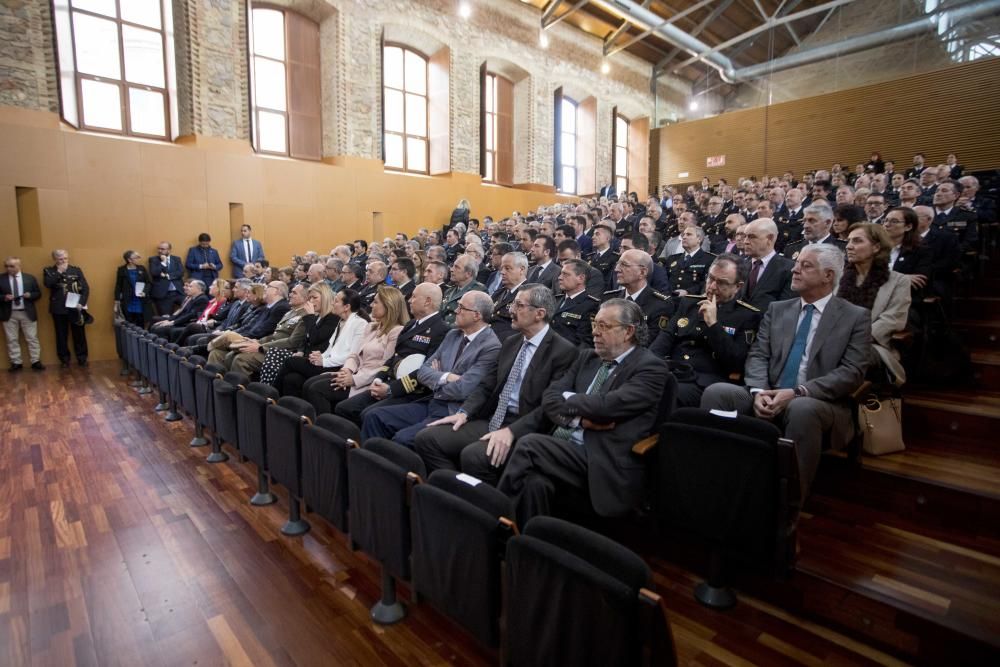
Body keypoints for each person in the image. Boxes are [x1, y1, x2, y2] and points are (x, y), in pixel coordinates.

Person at [700, 244, 872, 499]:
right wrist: (758, 390)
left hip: (819, 401)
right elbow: (758, 355)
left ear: (828, 276)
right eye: (797, 263)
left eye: (806, 265)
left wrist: (797, 392)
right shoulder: (778, 309)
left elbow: (851, 373)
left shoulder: (855, 317)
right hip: (767, 392)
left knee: (801, 409)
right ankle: (716, 481)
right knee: (717, 393)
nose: (795, 269)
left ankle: (788, 505)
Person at [497, 299, 669, 527]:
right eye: (594, 324)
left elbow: (607, 405)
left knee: (529, 445)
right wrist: (579, 418)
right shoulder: (586, 357)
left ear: (628, 331)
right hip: (566, 447)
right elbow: (549, 397)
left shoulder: (651, 368)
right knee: (534, 483)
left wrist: (568, 400)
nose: (595, 332)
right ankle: (528, 545)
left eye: (604, 326)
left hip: (601, 456)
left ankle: (494, 518)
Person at [415, 284, 578, 485]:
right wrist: (464, 412)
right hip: (493, 418)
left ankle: (487, 507)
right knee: (427, 439)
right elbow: (487, 385)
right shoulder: (511, 342)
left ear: (539, 313)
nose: (511, 310)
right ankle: (454, 491)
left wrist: (512, 431)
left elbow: (548, 408)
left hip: (524, 427)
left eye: (518, 305)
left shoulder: (563, 351)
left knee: (473, 456)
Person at [360, 291, 501, 447]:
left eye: (461, 307)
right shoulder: (453, 335)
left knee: (402, 439)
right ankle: (369, 468)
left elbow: (463, 389)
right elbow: (423, 371)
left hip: (451, 410)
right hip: (431, 402)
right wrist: (446, 376)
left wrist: (435, 377)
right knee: (374, 417)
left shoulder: (491, 346)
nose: (456, 310)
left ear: (477, 315)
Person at [650, 254, 761, 407]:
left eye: (722, 283)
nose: (712, 286)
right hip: (673, 372)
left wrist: (713, 325)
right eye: (711, 278)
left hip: (704, 382)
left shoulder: (746, 315)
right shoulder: (689, 303)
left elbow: (736, 363)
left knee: (661, 394)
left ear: (738, 286)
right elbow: (664, 340)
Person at [334, 283, 450, 424]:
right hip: (389, 382)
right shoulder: (411, 324)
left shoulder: (441, 330)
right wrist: (379, 378)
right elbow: (394, 357)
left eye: (413, 297)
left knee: (368, 415)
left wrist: (391, 389)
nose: (409, 300)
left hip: (410, 391)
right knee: (344, 408)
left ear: (427, 301)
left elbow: (426, 369)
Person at [302, 286, 408, 415]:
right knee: (309, 383)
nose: (370, 305)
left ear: (388, 306)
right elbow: (354, 355)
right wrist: (346, 370)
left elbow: (385, 366)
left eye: (375, 302)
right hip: (352, 373)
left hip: (366, 382)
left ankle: (324, 430)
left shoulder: (396, 331)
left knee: (316, 389)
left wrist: (354, 379)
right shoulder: (371, 327)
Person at [841, 223, 911, 385]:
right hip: (835, 340)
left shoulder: (899, 281)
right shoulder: (840, 279)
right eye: (849, 241)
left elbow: (892, 319)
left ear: (876, 247)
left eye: (857, 241)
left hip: (873, 345)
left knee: (846, 354)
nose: (849, 246)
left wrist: (851, 339)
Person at [272, 288, 367, 397]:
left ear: (346, 307)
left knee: (290, 361)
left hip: (339, 367)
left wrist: (323, 361)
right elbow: (331, 349)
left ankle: (272, 395)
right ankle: (288, 409)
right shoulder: (341, 321)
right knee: (292, 379)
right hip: (328, 362)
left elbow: (352, 356)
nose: (332, 303)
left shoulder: (360, 324)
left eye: (336, 301)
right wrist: (320, 356)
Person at [212, 282, 309, 375]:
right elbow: (275, 335)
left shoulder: (306, 315)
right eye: (291, 292)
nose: (290, 295)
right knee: (229, 355)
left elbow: (292, 342)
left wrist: (261, 347)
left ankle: (241, 388)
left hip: (281, 352)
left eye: (294, 293)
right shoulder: (290, 312)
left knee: (240, 359)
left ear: (305, 297)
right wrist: (258, 341)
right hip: (269, 346)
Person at [603, 249, 672, 347]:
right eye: (618, 264)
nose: (617, 269)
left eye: (624, 264)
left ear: (642, 272)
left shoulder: (660, 304)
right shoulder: (609, 298)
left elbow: (650, 342)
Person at [43, 249, 90, 368]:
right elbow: (48, 284)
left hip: (75, 306)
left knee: (79, 334)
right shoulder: (49, 271)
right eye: (60, 259)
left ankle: (82, 358)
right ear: (55, 259)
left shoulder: (76, 270)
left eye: (65, 258)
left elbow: (85, 288)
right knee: (61, 335)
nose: (63, 261)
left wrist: (81, 303)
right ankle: (64, 359)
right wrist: (59, 272)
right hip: (59, 307)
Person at [737, 218, 795, 312]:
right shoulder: (741, 266)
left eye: (752, 237)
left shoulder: (789, 269)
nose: (745, 242)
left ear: (770, 238)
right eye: (745, 236)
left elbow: (785, 309)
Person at [1, 257, 44, 371]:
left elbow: (38, 294)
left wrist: (30, 295)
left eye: (11, 266)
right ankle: (16, 363)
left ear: (19, 266)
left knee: (32, 338)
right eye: (6, 266)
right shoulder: (1, 278)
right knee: (11, 339)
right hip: (9, 314)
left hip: (27, 312)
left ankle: (35, 361)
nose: (8, 268)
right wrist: (4, 297)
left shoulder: (29, 278)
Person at [551, 259, 599, 347]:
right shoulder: (556, 300)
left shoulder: (591, 306)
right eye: (561, 273)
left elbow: (585, 343)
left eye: (566, 274)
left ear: (580, 278)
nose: (560, 277)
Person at [884, 207, 932, 291]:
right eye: (885, 220)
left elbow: (918, 281)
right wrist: (901, 278)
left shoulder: (921, 251)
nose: (887, 224)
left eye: (894, 221)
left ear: (908, 227)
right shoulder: (874, 247)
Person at [782, 202, 847, 259]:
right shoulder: (791, 249)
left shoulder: (842, 249)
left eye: (812, 221)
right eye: (804, 221)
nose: (805, 226)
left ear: (827, 223)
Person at [491, 252, 529, 341]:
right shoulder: (499, 293)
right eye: (502, 268)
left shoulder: (529, 294)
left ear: (521, 270)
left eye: (507, 268)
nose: (502, 272)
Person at [440, 255, 486, 325]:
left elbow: (471, 321)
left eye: (457, 267)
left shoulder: (478, 291)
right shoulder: (449, 290)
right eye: (453, 266)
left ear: (468, 274)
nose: (451, 270)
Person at [114, 250, 153, 327]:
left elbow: (148, 283)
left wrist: (144, 292)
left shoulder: (142, 268)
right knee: (129, 324)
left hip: (140, 300)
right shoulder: (122, 270)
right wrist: (116, 302)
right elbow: (118, 286)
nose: (139, 259)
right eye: (136, 257)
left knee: (141, 323)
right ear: (129, 260)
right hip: (128, 300)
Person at [149, 241, 185, 316]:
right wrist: (163, 262)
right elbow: (154, 273)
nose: (160, 251)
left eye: (162, 249)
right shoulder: (153, 260)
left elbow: (181, 273)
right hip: (164, 294)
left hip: (178, 292)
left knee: (189, 310)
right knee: (165, 317)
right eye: (159, 249)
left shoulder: (176, 259)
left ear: (169, 250)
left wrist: (167, 276)